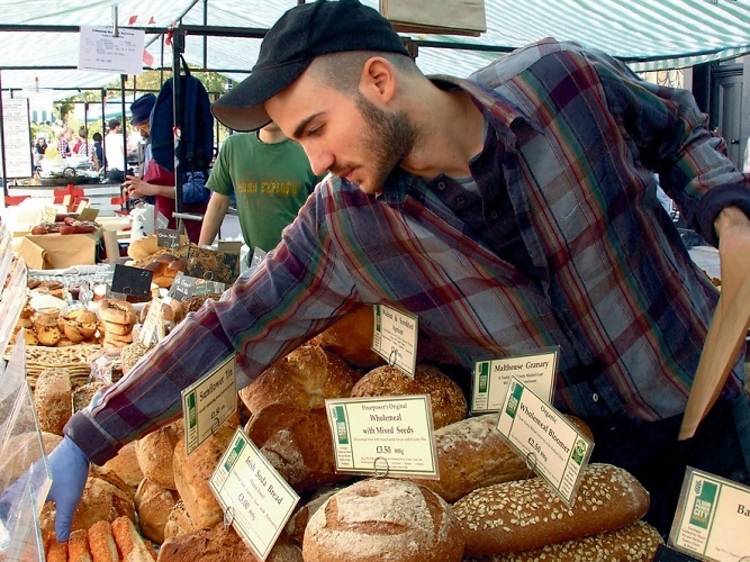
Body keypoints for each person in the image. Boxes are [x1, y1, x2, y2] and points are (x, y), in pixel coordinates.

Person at [26, 0, 750, 543]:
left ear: (378, 80)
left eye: (314, 129)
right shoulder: (347, 223)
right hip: (564, 468)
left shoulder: (563, 82)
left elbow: (677, 126)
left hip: (705, 403)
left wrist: (725, 206)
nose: (313, 163)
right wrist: (92, 435)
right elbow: (231, 325)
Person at [198, 122, 320, 254]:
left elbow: (326, 209)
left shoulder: (310, 149)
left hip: (301, 260)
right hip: (255, 262)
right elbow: (218, 203)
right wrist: (200, 254)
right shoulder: (233, 147)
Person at [122, 93, 209, 242]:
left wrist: (154, 189)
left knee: (184, 263)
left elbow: (199, 190)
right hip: (164, 223)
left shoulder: (187, 146)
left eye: (147, 126)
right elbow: (154, 197)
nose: (143, 132)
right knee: (165, 262)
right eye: (140, 128)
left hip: (189, 225)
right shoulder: (151, 149)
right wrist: (143, 193)